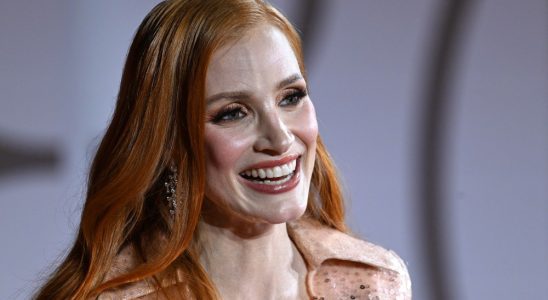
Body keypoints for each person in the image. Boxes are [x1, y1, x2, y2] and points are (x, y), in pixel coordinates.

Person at [36, 0, 411, 299]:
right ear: (167, 142)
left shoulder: (373, 283)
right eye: (233, 113)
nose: (279, 139)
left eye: (290, 97)